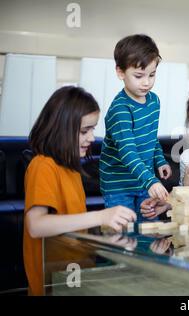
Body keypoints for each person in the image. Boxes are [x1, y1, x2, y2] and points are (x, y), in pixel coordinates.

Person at [24, 86, 136, 295]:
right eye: (85, 131)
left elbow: (71, 225)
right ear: (61, 129)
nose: (92, 138)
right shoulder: (43, 166)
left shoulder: (70, 168)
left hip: (72, 278)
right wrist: (100, 216)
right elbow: (36, 225)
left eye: (93, 129)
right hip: (51, 285)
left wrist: (101, 241)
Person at [100, 34, 172, 219]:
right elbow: (127, 152)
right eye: (139, 76)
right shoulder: (120, 110)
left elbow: (150, 137)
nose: (147, 82)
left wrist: (159, 160)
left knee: (148, 230)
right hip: (118, 186)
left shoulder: (154, 101)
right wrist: (150, 181)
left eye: (152, 74)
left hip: (143, 181)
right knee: (123, 236)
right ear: (120, 72)